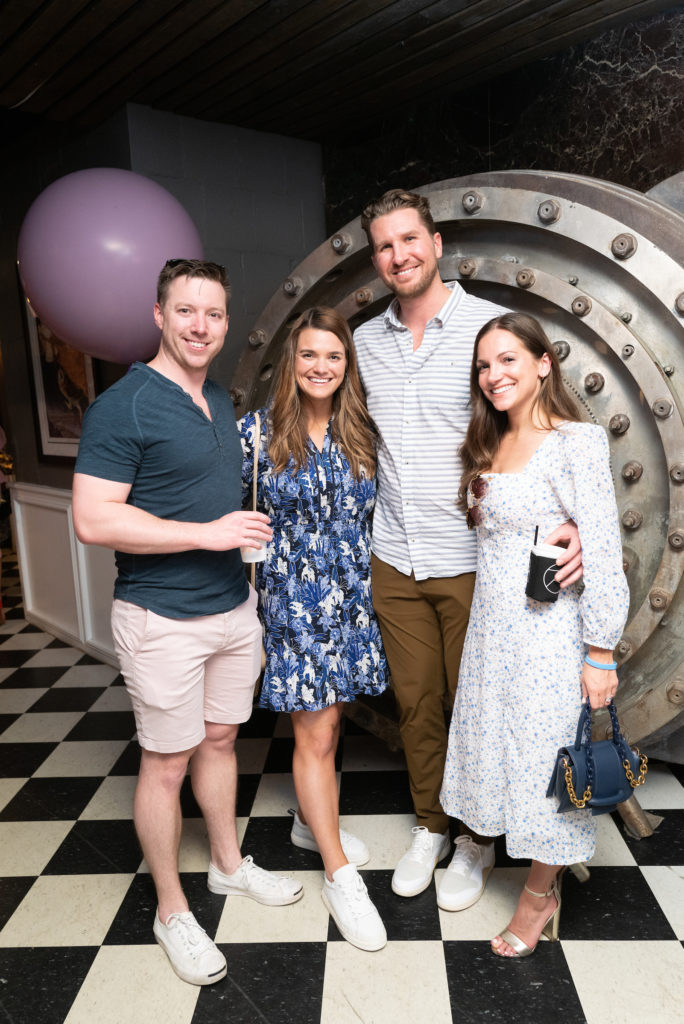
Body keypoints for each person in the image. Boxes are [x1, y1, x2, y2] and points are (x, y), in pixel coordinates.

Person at [72, 258, 302, 988]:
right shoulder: (125, 404)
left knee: (223, 739)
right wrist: (208, 534)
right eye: (186, 312)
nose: (200, 326)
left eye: (213, 314)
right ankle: (171, 909)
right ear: (159, 316)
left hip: (231, 609)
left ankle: (229, 865)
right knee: (166, 763)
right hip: (160, 616)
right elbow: (91, 518)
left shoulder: (220, 402)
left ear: (225, 323)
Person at [353, 189, 583, 911]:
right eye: (385, 246)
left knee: (477, 708)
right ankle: (430, 826)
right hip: (394, 553)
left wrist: (572, 517)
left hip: (474, 562)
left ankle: (476, 843)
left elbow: (543, 425)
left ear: (436, 240)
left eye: (409, 239)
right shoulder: (363, 341)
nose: (399, 255)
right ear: (376, 257)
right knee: (417, 704)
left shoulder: (489, 329)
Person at [440, 311, 629, 957]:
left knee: (548, 762)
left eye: (508, 360)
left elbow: (601, 544)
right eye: (484, 365)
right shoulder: (490, 442)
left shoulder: (576, 440)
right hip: (493, 635)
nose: (494, 375)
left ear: (544, 363)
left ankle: (539, 894)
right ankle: (501, 850)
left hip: (550, 640)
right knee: (501, 752)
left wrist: (600, 652)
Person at [239, 306, 388, 952]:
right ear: (290, 363)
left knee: (333, 725)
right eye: (308, 355)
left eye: (333, 356)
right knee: (317, 732)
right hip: (295, 605)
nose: (320, 367)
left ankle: (311, 821)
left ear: (346, 364)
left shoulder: (362, 433)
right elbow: (215, 513)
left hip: (352, 603)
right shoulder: (257, 434)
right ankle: (337, 872)